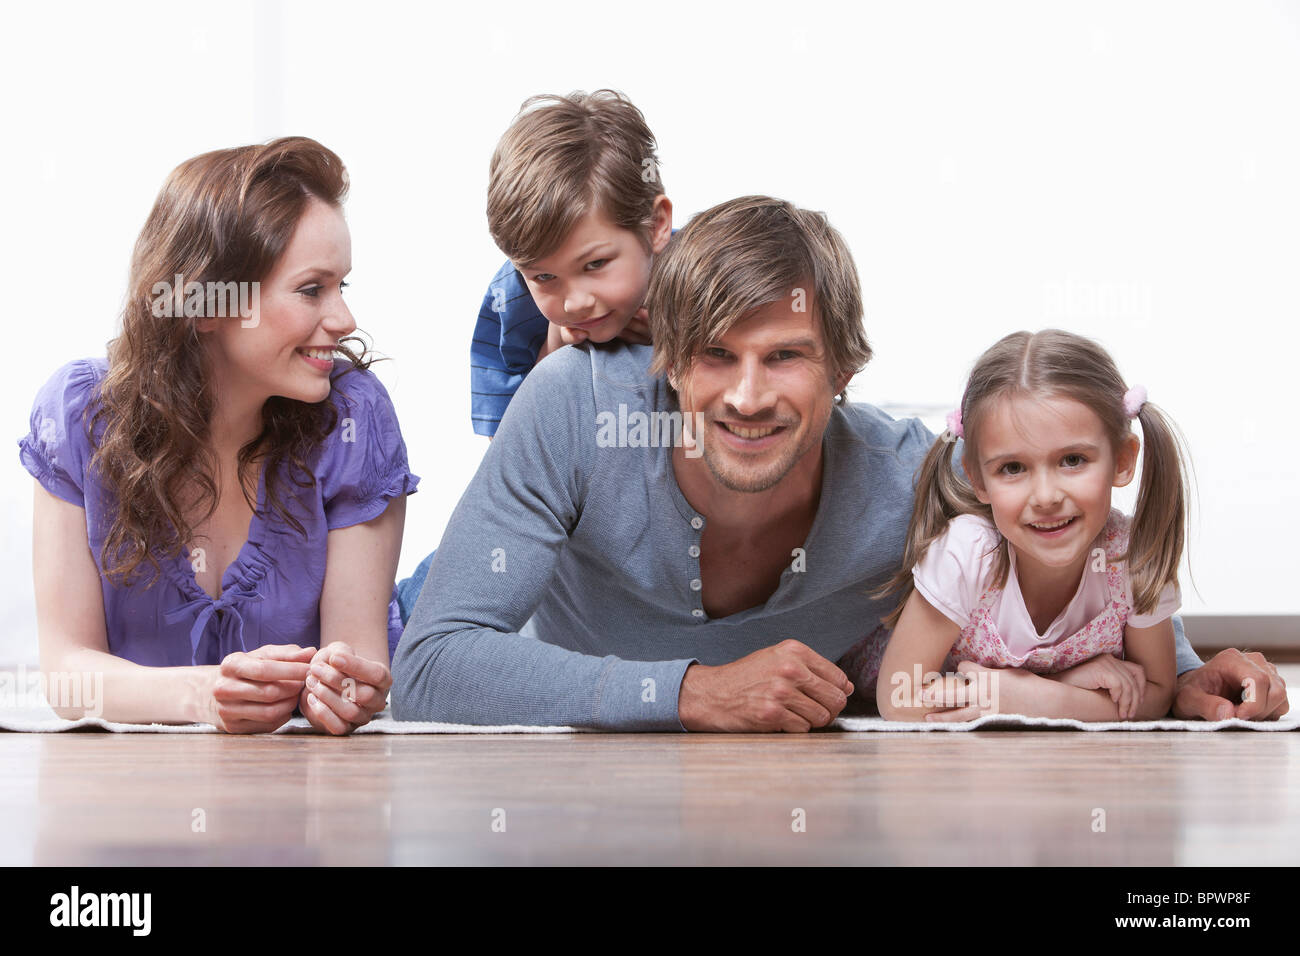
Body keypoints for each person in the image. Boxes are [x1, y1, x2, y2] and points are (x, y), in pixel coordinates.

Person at [392, 194, 1287, 730]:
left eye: (784, 355)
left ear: (846, 371)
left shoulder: (914, 478)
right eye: (713, 356)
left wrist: (1190, 676)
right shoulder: (573, 406)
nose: (747, 397)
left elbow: (1074, 542)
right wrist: (694, 694)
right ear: (666, 360)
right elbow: (432, 668)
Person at [19, 137, 419, 734]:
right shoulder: (79, 419)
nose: (344, 320)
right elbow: (67, 676)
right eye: (312, 289)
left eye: (343, 287)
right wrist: (202, 695)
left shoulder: (352, 420)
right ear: (205, 303)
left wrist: (342, 693)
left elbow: (356, 666)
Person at [397, 89, 674, 620]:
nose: (572, 299)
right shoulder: (514, 300)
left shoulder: (712, 271)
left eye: (596, 265)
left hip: (672, 501)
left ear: (656, 225)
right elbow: (518, 467)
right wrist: (557, 346)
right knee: (456, 571)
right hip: (573, 511)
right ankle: (387, 625)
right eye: (545, 276)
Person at [869, 330, 1190, 721]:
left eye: (1072, 460)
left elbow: (1158, 694)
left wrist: (1046, 698)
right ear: (978, 479)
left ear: (1122, 460)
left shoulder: (1130, 557)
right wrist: (1028, 695)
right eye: (1013, 468)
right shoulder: (967, 551)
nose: (1045, 496)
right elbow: (899, 697)